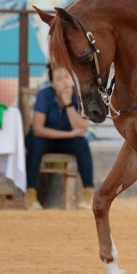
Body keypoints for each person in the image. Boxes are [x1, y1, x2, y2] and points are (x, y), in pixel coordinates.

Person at [24, 65, 94, 210]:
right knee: (35, 143)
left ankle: (89, 194)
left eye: (67, 77)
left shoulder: (78, 96)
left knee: (82, 143)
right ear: (52, 83)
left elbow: (82, 128)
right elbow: (38, 129)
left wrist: (68, 103)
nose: (65, 82)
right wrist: (69, 134)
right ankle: (30, 195)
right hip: (45, 139)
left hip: (67, 142)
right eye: (59, 79)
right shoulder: (44, 95)